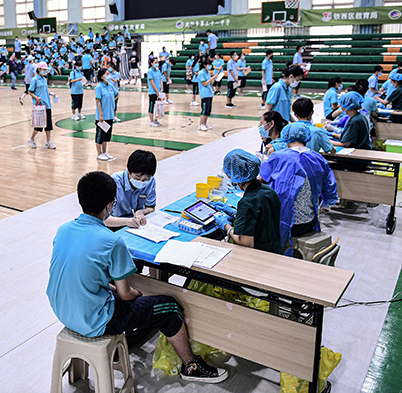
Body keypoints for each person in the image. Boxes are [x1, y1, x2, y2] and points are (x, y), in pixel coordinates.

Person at [46, 171, 229, 384]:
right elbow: (126, 295)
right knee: (169, 307)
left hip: (62, 311)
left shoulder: (63, 230)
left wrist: (114, 289)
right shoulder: (112, 241)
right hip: (94, 321)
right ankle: (191, 366)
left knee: (123, 291)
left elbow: (83, 273)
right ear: (109, 206)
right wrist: (135, 293)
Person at [261, 123, 338, 249]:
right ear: (306, 137)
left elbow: (262, 179)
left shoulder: (278, 157)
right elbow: (330, 187)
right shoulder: (318, 159)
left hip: (281, 223)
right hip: (309, 222)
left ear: (285, 137)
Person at [214, 150, 282, 254]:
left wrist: (226, 225)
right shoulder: (269, 191)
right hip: (275, 249)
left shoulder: (247, 203)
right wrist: (236, 213)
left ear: (236, 176)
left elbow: (245, 242)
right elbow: (261, 218)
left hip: (259, 256)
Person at [105, 150, 157, 229]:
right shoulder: (114, 182)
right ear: (129, 171)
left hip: (137, 223)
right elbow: (104, 219)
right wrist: (127, 221)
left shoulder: (151, 181)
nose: (142, 181)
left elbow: (151, 208)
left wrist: (141, 212)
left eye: (146, 178)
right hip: (115, 224)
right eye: (138, 177)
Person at [27, 61, 57, 149]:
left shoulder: (44, 79)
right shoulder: (35, 80)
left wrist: (51, 93)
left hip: (47, 105)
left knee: (48, 125)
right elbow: (29, 91)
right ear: (39, 69)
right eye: (44, 69)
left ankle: (48, 142)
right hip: (40, 106)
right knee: (39, 126)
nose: (45, 71)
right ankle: (31, 139)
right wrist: (36, 97)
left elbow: (44, 91)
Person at [94, 68, 117, 161]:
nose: (108, 76)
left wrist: (111, 102)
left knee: (106, 135)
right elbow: (98, 101)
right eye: (106, 74)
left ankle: (104, 152)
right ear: (101, 76)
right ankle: (99, 153)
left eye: (109, 74)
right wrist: (101, 115)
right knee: (100, 135)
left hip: (110, 115)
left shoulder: (110, 86)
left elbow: (117, 93)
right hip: (102, 116)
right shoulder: (99, 87)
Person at [197, 59, 215, 131]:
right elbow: (204, 84)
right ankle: (201, 124)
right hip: (204, 93)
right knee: (204, 110)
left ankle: (205, 123)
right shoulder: (201, 73)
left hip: (209, 93)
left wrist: (214, 79)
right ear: (205, 65)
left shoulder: (208, 73)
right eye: (209, 64)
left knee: (208, 110)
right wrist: (211, 78)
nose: (210, 66)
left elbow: (210, 84)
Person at [147, 57, 163, 127]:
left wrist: (161, 89)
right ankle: (151, 121)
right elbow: (152, 82)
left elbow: (161, 80)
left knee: (157, 107)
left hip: (159, 92)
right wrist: (156, 91)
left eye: (157, 62)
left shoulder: (158, 71)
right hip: (153, 92)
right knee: (152, 106)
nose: (157, 64)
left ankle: (156, 120)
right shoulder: (150, 71)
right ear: (151, 63)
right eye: (155, 62)